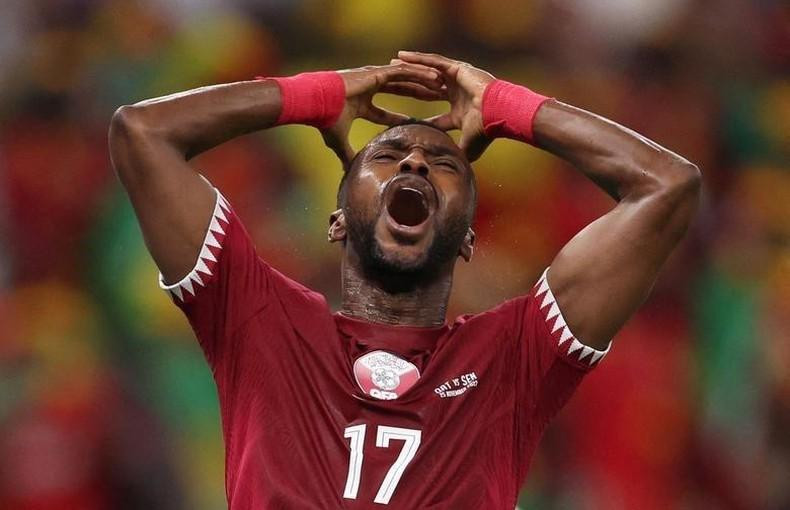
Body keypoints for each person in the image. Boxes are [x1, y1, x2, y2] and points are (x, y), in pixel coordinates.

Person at [108, 51, 700, 509]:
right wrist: (316, 93)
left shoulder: (515, 356)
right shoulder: (257, 318)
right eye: (385, 157)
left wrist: (505, 104)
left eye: (444, 165)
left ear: (467, 237)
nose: (415, 162)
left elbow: (667, 186)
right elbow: (142, 134)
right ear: (337, 219)